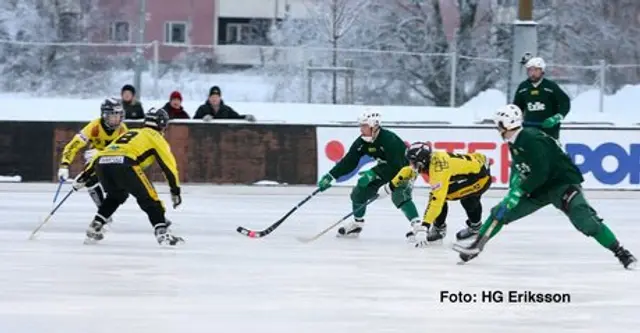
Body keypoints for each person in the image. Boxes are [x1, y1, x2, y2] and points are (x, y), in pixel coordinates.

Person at [453, 104, 636, 269]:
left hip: (561, 184)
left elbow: (541, 171)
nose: (497, 128)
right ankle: (476, 246)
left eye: (498, 124)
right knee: (501, 212)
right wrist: (512, 191)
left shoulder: (531, 139)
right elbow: (519, 168)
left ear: (507, 124)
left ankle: (620, 251)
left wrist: (520, 191)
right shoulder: (514, 142)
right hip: (538, 189)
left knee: (585, 219)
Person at [73, 108, 183, 246]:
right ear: (162, 124)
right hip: (125, 163)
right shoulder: (156, 137)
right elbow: (169, 166)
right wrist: (175, 190)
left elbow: (105, 153)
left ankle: (96, 225)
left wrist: (85, 175)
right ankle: (163, 234)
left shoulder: (131, 132)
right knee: (150, 198)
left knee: (116, 195)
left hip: (102, 163)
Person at [317, 109, 421, 238]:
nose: (361, 129)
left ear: (374, 125)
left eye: (364, 126)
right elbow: (349, 161)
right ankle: (357, 224)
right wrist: (331, 176)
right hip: (384, 169)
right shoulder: (362, 141)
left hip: (405, 169)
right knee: (360, 190)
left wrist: (373, 173)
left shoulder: (389, 139)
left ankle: (418, 226)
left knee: (399, 195)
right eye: (360, 125)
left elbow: (396, 166)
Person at [379, 142, 492, 247]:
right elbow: (408, 170)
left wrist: (424, 227)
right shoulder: (430, 160)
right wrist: (390, 186)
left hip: (480, 178)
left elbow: (436, 200)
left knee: (450, 197)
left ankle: (446, 229)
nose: (411, 164)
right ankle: (469, 226)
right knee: (455, 196)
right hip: (477, 166)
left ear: (421, 162)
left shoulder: (438, 170)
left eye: (412, 162)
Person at [58, 98, 128, 215]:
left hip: (116, 160)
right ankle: (102, 210)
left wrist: (102, 154)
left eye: (119, 115)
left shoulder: (122, 130)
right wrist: (64, 165)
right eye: (113, 115)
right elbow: (73, 145)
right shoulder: (93, 127)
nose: (117, 119)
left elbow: (125, 151)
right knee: (90, 180)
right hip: (96, 159)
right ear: (105, 115)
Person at [512, 56, 570, 139]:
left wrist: (556, 118)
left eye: (536, 70)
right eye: (530, 70)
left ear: (542, 71)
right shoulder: (523, 87)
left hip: (550, 130)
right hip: (529, 129)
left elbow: (565, 103)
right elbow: (517, 107)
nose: (533, 73)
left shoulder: (550, 86)